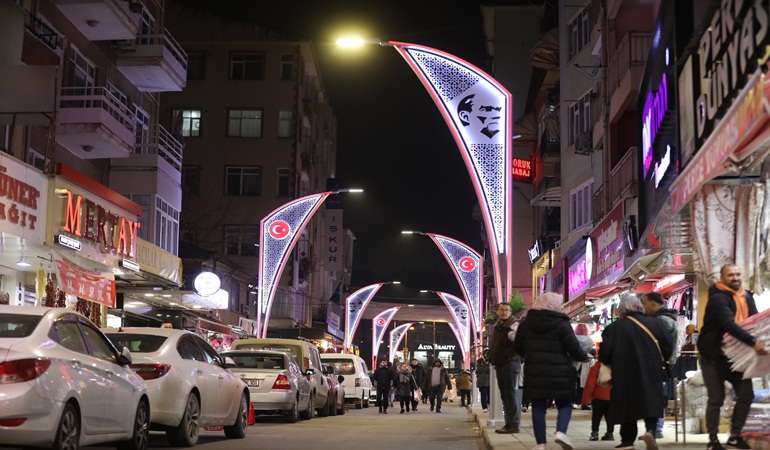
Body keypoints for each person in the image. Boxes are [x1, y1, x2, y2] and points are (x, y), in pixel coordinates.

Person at [698, 264, 767, 450]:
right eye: (730, 275)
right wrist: (753, 342)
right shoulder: (718, 298)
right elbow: (728, 324)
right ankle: (713, 440)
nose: (735, 278)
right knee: (716, 398)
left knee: (746, 394)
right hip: (714, 356)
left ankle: (735, 436)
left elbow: (755, 321)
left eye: (738, 274)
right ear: (722, 278)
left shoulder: (747, 296)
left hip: (737, 357)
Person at [513, 292, 588, 450]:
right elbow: (573, 347)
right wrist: (583, 356)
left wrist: (530, 354)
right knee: (565, 403)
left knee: (538, 406)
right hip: (561, 372)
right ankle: (560, 432)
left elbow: (518, 347)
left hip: (535, 371)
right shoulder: (562, 323)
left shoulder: (526, 324)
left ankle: (540, 444)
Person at [599, 293, 674, 450]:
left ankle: (627, 441)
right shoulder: (656, 324)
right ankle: (651, 431)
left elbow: (604, 354)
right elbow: (667, 348)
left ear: (621, 310)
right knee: (651, 400)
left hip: (624, 373)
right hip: (652, 371)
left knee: (627, 405)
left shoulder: (614, 328)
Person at [641, 291, 678, 439]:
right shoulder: (664, 318)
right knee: (655, 395)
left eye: (644, 304)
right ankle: (654, 429)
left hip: (659, 363)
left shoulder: (662, 320)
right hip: (662, 363)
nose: (643, 307)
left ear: (653, 304)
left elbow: (661, 345)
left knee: (654, 396)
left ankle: (656, 429)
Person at [488, 302, 522, 434]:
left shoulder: (514, 325)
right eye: (501, 310)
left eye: (507, 310)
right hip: (500, 363)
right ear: (497, 312)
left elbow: (520, 344)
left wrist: (506, 354)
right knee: (505, 394)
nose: (504, 312)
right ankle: (509, 423)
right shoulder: (499, 326)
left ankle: (513, 424)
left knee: (509, 393)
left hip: (510, 363)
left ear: (510, 313)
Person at [581, 358, 614, 442]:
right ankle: (610, 434)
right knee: (610, 416)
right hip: (612, 397)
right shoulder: (614, 368)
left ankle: (595, 433)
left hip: (598, 397)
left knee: (596, 416)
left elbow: (590, 385)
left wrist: (585, 400)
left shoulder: (596, 368)